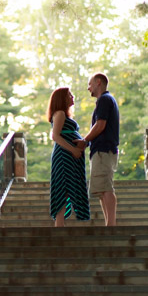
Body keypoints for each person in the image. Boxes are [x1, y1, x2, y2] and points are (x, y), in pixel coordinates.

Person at [74, 73, 119, 226]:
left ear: (98, 82)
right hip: (102, 151)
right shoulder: (106, 100)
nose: (88, 88)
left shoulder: (105, 99)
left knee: (106, 187)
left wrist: (85, 141)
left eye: (90, 84)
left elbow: (100, 125)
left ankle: (111, 225)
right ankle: (108, 223)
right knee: (101, 190)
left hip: (103, 150)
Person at [47, 86, 90, 227]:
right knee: (63, 188)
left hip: (70, 157)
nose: (72, 97)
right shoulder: (59, 113)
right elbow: (55, 136)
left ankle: (60, 224)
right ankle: (59, 224)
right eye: (69, 95)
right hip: (64, 156)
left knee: (66, 188)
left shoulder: (64, 114)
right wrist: (73, 150)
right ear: (62, 99)